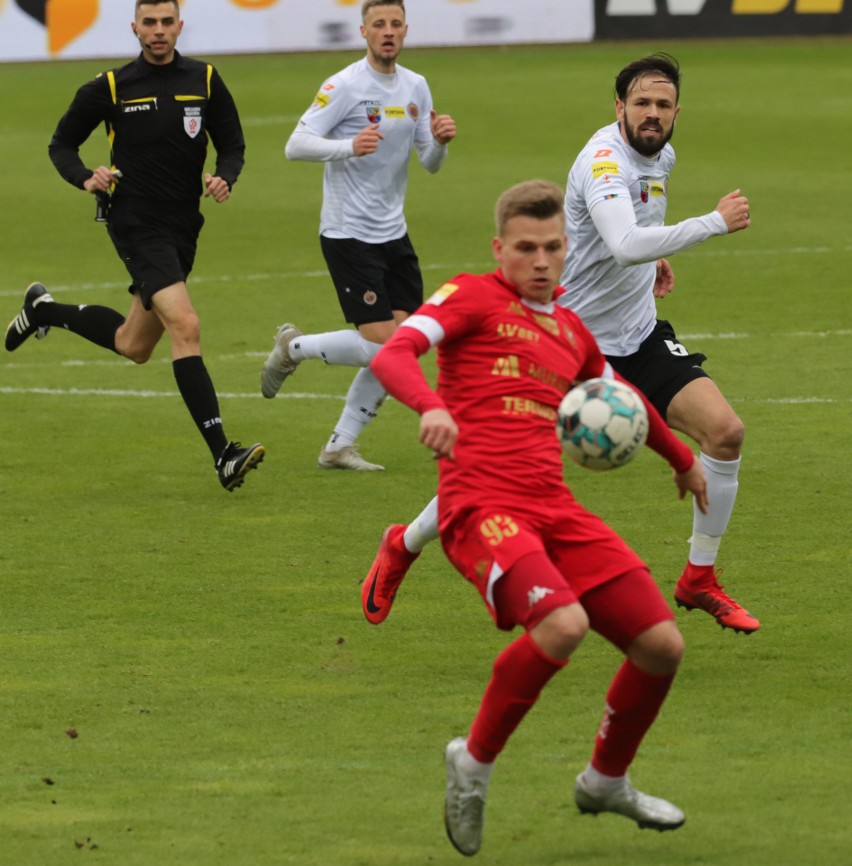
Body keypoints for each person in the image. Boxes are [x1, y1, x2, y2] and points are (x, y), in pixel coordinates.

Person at [362, 53, 760, 634]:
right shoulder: (603, 160)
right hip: (565, 344)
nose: (653, 115)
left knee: (725, 433)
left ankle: (699, 579)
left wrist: (656, 260)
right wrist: (713, 223)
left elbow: (628, 240)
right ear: (618, 106)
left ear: (677, 111)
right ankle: (404, 543)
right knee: (490, 473)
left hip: (638, 332)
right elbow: (624, 242)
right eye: (642, 104)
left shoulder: (660, 153)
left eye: (663, 105)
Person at [368, 180, 708, 856]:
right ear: (501, 249)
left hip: (553, 507)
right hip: (479, 505)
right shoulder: (469, 295)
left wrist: (681, 459)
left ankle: (605, 780)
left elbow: (619, 396)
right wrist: (431, 406)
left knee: (661, 646)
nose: (542, 261)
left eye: (553, 247)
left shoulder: (571, 329)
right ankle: (474, 761)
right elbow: (392, 352)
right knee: (563, 624)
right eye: (526, 248)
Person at [4, 0, 264, 492]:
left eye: (167, 22)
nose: (159, 31)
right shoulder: (110, 87)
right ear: (135, 28)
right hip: (134, 222)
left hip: (184, 226)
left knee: (134, 344)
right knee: (185, 325)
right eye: (150, 22)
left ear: (179, 26)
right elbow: (61, 145)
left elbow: (232, 144)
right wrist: (87, 178)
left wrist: (225, 177)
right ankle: (223, 455)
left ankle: (43, 311)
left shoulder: (205, 79)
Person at [259, 0, 456, 471]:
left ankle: (337, 446)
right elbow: (295, 144)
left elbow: (427, 162)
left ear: (405, 30)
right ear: (363, 31)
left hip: (394, 233)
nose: (387, 32)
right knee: (388, 348)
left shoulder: (416, 87)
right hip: (348, 232)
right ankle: (294, 348)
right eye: (378, 25)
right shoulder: (344, 85)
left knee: (400, 349)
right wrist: (348, 146)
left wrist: (441, 143)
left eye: (395, 24)